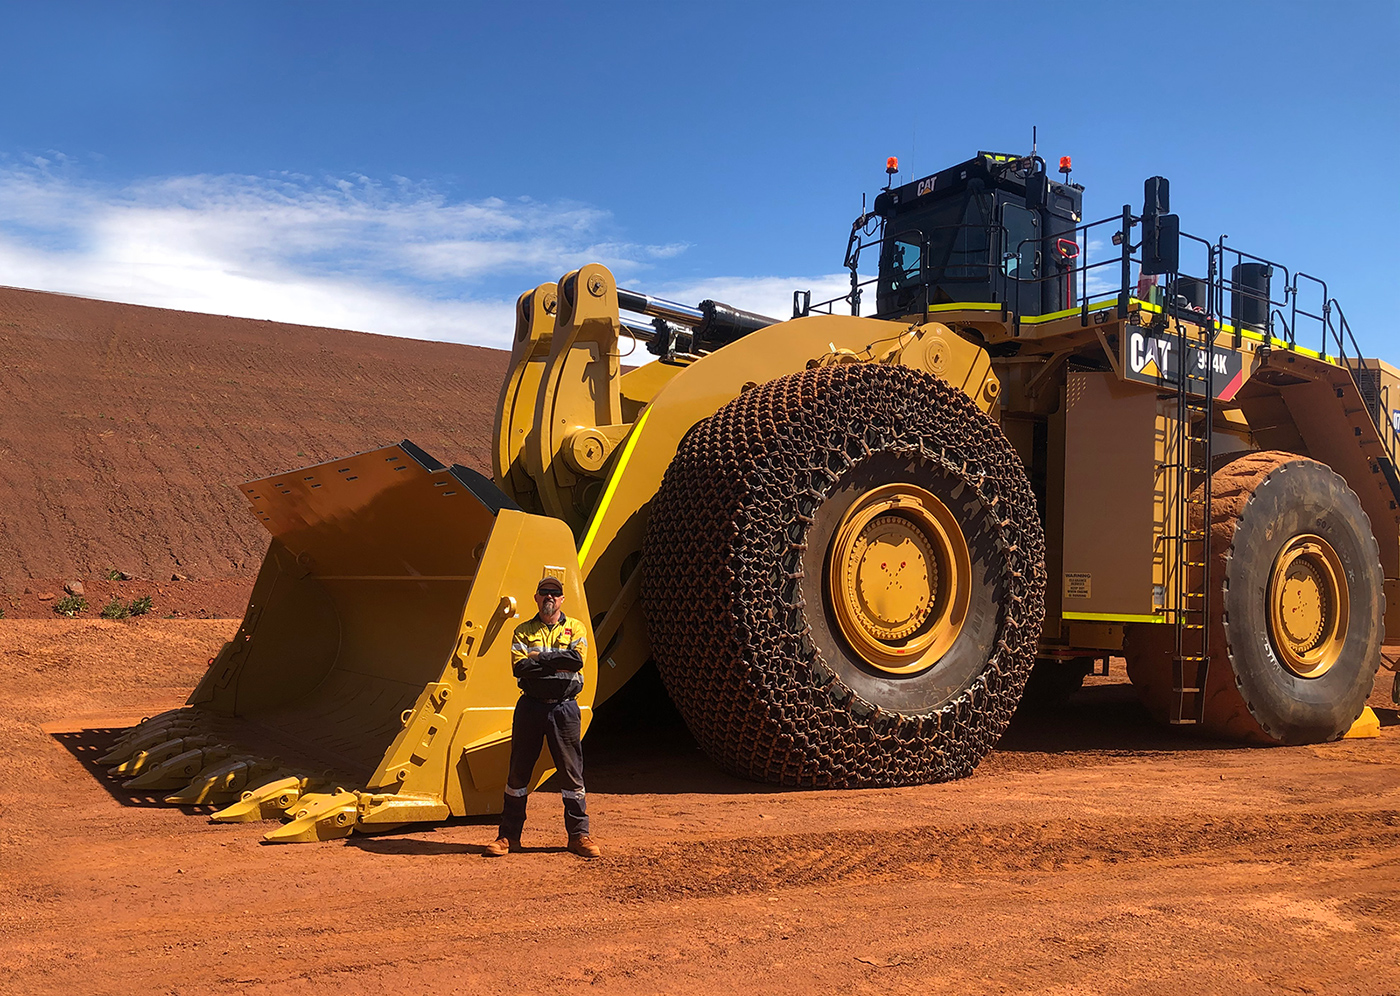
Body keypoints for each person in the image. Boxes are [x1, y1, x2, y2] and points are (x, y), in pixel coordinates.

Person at [483, 574, 600, 859]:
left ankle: (579, 837)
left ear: (561, 599)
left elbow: (576, 661)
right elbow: (520, 669)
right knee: (518, 774)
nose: (549, 597)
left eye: (554, 594)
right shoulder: (523, 630)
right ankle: (508, 837)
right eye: (544, 593)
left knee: (572, 775)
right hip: (531, 708)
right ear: (536, 598)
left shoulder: (576, 628)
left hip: (565, 708)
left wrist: (539, 658)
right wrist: (554, 663)